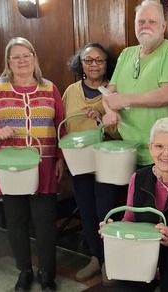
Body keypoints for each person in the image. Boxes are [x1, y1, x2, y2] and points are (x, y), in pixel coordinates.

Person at [0, 37, 64, 292]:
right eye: (16, 57)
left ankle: (47, 272)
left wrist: (60, 157)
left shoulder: (50, 89)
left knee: (46, 221)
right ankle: (24, 271)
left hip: (44, 165)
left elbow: (61, 125)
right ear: (8, 62)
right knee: (16, 220)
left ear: (34, 59)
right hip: (10, 168)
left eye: (27, 55)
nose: (22, 61)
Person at [100, 117, 168, 292]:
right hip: (141, 254)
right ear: (150, 148)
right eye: (159, 146)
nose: (166, 154)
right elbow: (130, 220)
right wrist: (115, 231)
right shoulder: (138, 178)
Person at [102, 0, 168, 167]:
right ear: (134, 25)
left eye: (152, 22)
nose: (145, 25)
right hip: (127, 149)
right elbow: (108, 93)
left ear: (163, 26)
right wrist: (109, 111)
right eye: (141, 21)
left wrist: (125, 99)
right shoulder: (126, 53)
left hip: (161, 151)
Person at [61, 42, 121, 285]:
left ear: (107, 64)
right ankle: (95, 257)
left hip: (108, 162)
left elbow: (121, 132)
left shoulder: (114, 91)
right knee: (86, 211)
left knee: (106, 213)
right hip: (79, 162)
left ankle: (110, 261)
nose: (93, 64)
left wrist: (102, 120)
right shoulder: (70, 91)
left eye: (99, 60)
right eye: (88, 60)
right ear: (80, 63)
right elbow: (64, 125)